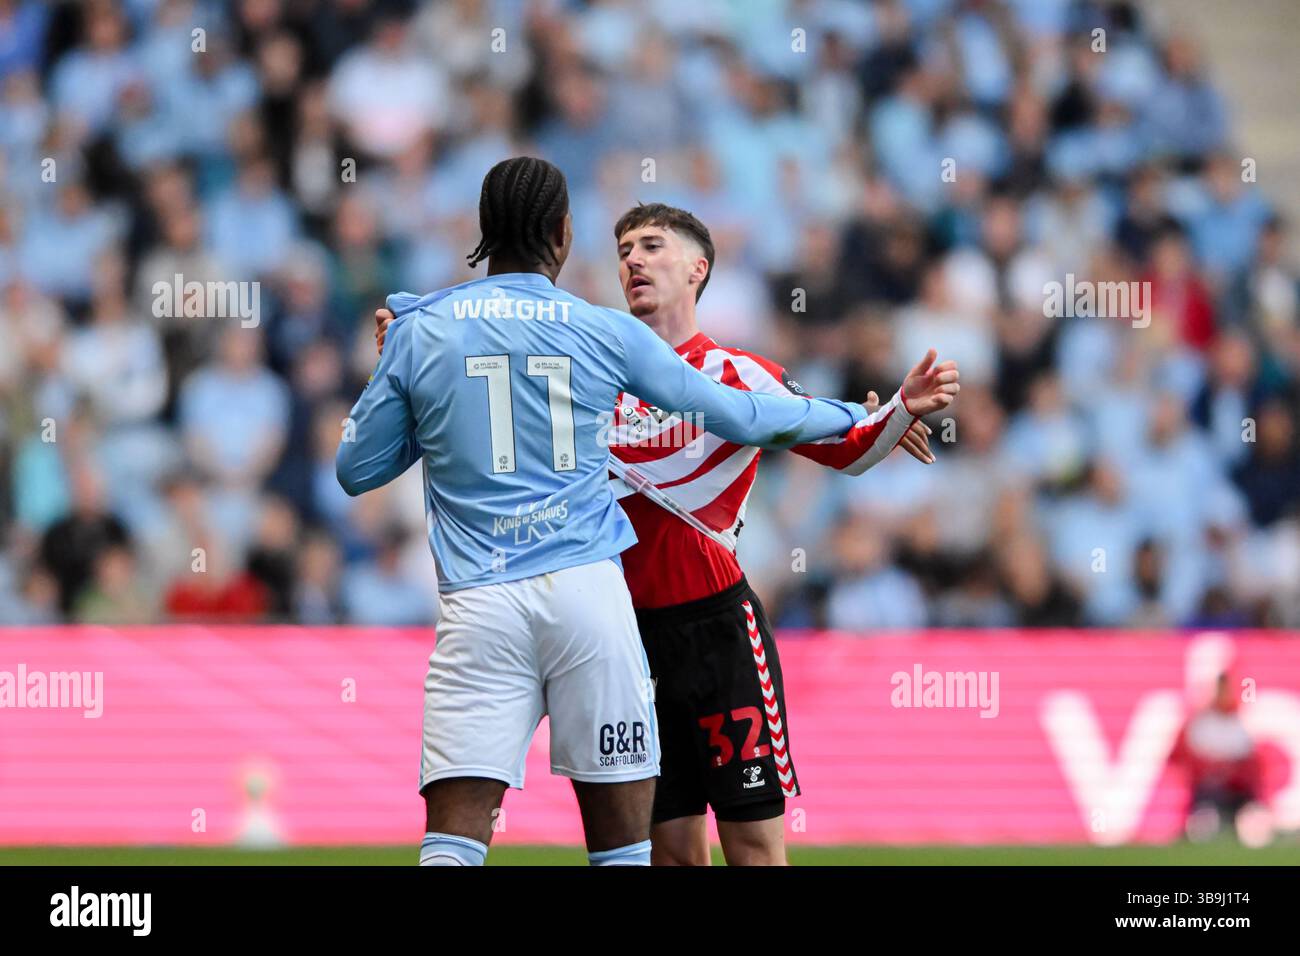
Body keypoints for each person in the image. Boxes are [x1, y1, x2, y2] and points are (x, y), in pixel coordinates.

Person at [338, 157, 956, 867]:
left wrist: (887, 411)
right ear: (563, 236)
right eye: (624, 247)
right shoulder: (598, 354)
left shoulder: (730, 368)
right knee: (665, 853)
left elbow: (833, 445)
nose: (633, 257)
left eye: (652, 245)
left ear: (700, 269)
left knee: (752, 846)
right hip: (616, 625)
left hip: (710, 626)